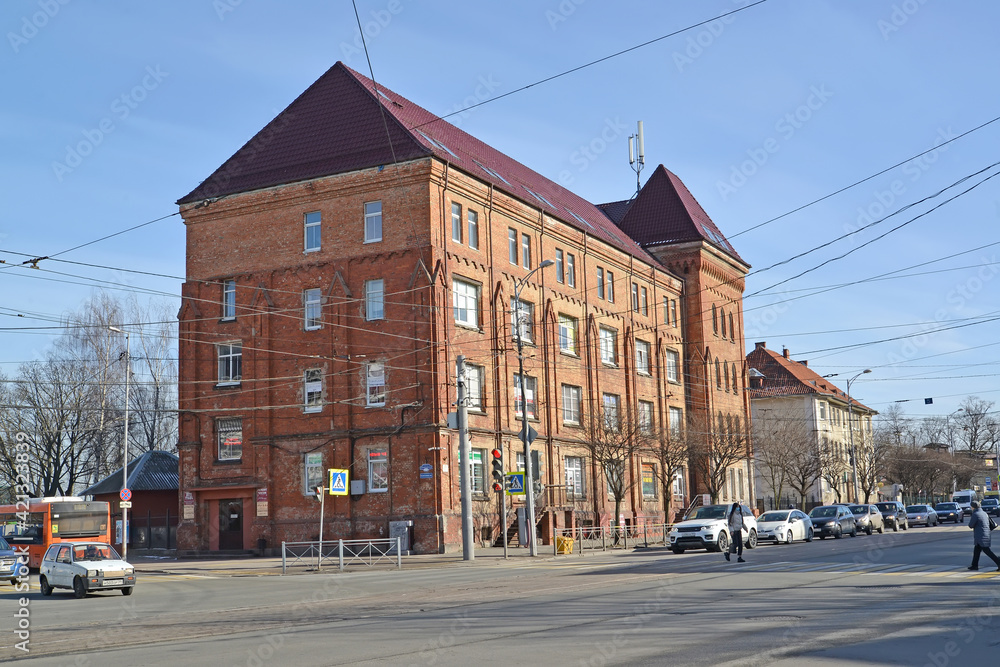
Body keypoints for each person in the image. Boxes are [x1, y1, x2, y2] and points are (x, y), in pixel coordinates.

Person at [967, 500, 1000, 571]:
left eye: (971, 506)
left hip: (980, 536)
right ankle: (974, 565)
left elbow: (971, 525)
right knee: (976, 551)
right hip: (986, 534)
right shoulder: (984, 513)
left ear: (973, 507)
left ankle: (999, 562)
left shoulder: (975, 514)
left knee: (987, 551)